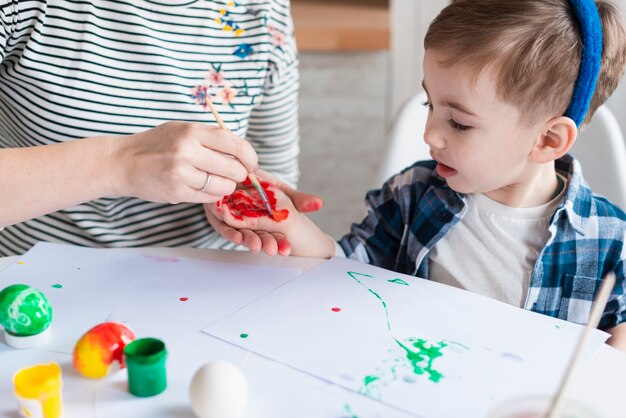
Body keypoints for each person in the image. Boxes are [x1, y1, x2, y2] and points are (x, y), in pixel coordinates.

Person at [209, 0, 626, 351]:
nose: (429, 134)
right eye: (430, 104)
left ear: (549, 140)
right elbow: (347, 273)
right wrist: (288, 221)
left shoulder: (610, 244)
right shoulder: (413, 195)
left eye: (459, 123)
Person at [0, 0, 317, 255]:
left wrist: (233, 196)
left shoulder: (263, 11)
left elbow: (273, 168)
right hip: (40, 285)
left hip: (210, 287)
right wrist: (119, 164)